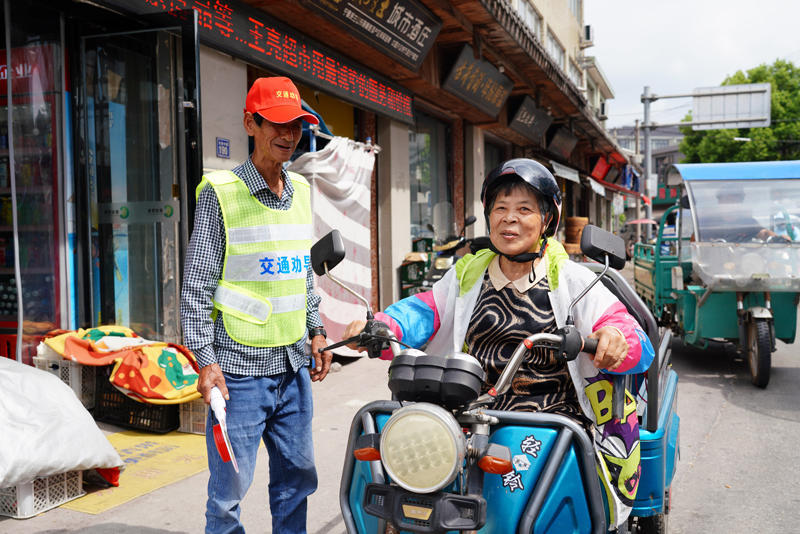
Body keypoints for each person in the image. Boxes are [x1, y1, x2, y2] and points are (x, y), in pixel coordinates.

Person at [343, 159, 654, 527]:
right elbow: (422, 311)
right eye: (500, 208)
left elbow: (630, 336)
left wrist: (615, 339)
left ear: (547, 221)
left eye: (524, 209)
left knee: (518, 513)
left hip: (549, 421)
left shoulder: (571, 280)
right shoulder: (468, 274)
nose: (510, 219)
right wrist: (380, 325)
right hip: (465, 416)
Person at [181, 76, 333, 534]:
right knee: (228, 495)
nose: (289, 135)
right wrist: (205, 364)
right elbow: (196, 287)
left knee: (297, 483)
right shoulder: (222, 194)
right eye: (278, 124)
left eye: (298, 126)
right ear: (252, 123)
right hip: (238, 376)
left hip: (292, 370)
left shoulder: (301, 190)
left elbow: (300, 270)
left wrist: (316, 329)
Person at [698, 184, 787, 242]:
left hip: (744, 265)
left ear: (740, 202)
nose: (730, 203)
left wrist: (780, 239)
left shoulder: (749, 222)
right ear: (719, 201)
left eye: (734, 199)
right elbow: (696, 240)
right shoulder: (707, 222)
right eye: (726, 199)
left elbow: (764, 233)